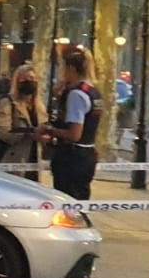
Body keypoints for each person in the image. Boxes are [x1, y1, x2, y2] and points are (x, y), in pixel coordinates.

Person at [35, 47, 102, 200]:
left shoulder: (76, 94)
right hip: (88, 153)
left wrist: (49, 129)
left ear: (70, 68)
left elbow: (74, 134)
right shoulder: (92, 91)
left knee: (67, 201)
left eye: (62, 68)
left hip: (72, 157)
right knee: (81, 198)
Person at [0, 63, 48, 181]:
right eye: (24, 79)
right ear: (17, 82)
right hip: (14, 160)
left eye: (32, 79)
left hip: (35, 161)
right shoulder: (7, 103)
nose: (29, 82)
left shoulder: (39, 106)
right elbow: (4, 133)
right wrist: (28, 134)